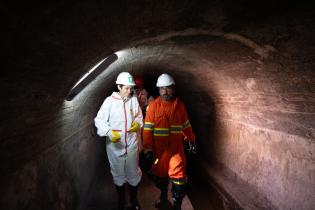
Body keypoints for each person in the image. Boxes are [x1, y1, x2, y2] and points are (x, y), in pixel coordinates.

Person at [142, 73, 196, 210]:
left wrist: (191, 140)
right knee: (159, 177)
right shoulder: (153, 106)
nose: (165, 92)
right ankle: (163, 196)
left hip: (176, 150)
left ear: (173, 88)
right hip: (159, 153)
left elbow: (186, 125)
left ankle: (177, 205)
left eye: (168, 88)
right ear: (158, 90)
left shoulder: (180, 106)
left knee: (179, 180)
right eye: (162, 89)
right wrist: (148, 149)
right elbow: (147, 129)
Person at [94, 72, 143, 210]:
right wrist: (109, 132)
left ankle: (134, 200)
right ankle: (121, 201)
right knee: (118, 174)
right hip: (115, 147)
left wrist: (137, 124)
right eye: (126, 88)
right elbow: (99, 120)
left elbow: (139, 116)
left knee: (133, 173)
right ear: (119, 87)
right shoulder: (109, 102)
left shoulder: (133, 100)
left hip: (131, 145)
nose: (129, 91)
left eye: (131, 88)